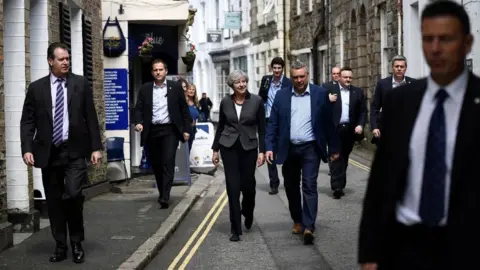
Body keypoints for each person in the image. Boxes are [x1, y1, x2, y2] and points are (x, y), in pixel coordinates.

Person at [359, 1, 479, 269]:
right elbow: (380, 183)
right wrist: (369, 253)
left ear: (468, 43)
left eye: (446, 39)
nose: (435, 49)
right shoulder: (401, 102)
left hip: (467, 246)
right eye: (428, 39)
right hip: (405, 246)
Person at [20, 42, 102, 264]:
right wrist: (27, 148)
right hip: (49, 152)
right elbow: (27, 121)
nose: (66, 62)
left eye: (67, 58)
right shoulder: (37, 88)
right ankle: (60, 245)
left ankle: (76, 242)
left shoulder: (80, 84)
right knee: (55, 201)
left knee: (73, 195)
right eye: (61, 59)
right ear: (50, 61)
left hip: (74, 150)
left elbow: (90, 117)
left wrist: (96, 147)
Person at [265, 61, 339, 245]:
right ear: (291, 77)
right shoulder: (281, 96)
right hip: (288, 148)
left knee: (309, 185)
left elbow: (329, 123)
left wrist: (334, 149)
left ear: (308, 75)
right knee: (290, 187)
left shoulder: (320, 94)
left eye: (302, 76)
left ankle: (308, 226)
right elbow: (272, 123)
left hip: (310, 148)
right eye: (295, 77)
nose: (299, 80)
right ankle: (297, 220)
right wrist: (268, 147)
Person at [211, 70, 266, 242]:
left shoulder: (256, 101)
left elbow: (263, 129)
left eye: (243, 81)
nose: (241, 85)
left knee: (248, 187)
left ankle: (248, 211)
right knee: (233, 188)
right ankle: (235, 228)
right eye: (237, 82)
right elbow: (220, 126)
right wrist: (215, 149)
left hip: (249, 148)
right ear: (232, 85)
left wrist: (262, 151)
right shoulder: (225, 102)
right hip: (229, 147)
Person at [134, 59, 191, 209]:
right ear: (152, 72)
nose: (158, 72)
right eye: (155, 70)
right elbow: (138, 108)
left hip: (170, 130)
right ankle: (162, 191)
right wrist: (139, 122)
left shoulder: (175, 87)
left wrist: (186, 130)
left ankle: (165, 196)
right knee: (157, 164)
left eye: (161, 69)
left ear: (166, 71)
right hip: (152, 130)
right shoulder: (145, 89)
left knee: (168, 161)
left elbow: (184, 110)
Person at [324, 67, 367, 199]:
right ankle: (336, 186)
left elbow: (363, 111)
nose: (348, 79)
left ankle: (340, 184)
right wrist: (327, 99)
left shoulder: (357, 92)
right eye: (345, 77)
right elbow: (318, 105)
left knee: (345, 157)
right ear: (339, 78)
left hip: (349, 130)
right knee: (336, 156)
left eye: (350, 77)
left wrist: (360, 125)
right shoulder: (329, 90)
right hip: (334, 130)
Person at [257, 57, 292, 195]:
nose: (277, 70)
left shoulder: (288, 83)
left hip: (282, 122)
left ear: (283, 69)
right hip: (267, 121)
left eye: (279, 68)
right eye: (275, 68)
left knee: (286, 151)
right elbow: (261, 98)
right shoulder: (266, 80)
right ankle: (274, 183)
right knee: (269, 151)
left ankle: (289, 179)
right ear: (271, 68)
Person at [370, 55, 416, 144]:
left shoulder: (413, 83)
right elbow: (374, 107)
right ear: (392, 68)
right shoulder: (383, 84)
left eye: (402, 67)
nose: (399, 69)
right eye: (396, 66)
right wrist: (374, 127)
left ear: (405, 68)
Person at [185, 83, 200, 152]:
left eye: (193, 89)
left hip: (193, 130)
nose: (191, 91)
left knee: (189, 150)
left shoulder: (196, 103)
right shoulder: (184, 102)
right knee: (184, 152)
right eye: (189, 89)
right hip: (185, 131)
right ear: (186, 90)